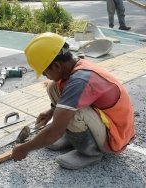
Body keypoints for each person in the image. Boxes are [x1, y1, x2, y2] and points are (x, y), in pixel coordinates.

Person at [11, 32, 135, 169]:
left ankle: (90, 153)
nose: (46, 76)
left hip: (115, 135)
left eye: (45, 72)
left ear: (57, 66)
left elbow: (55, 130)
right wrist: (51, 111)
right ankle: (73, 137)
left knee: (73, 113)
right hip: (104, 122)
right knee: (53, 87)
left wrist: (24, 148)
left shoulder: (79, 81)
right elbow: (62, 103)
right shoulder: (76, 66)